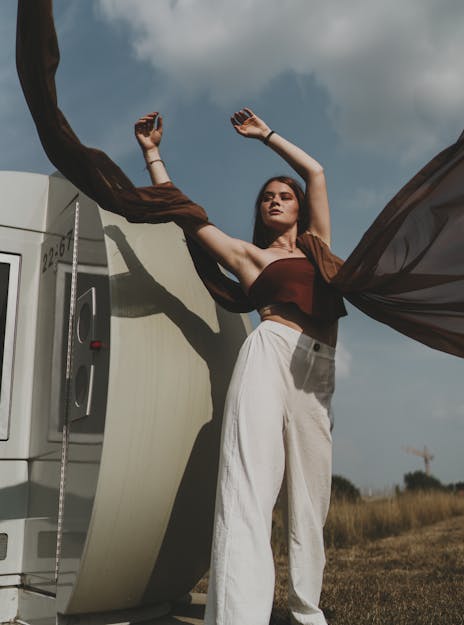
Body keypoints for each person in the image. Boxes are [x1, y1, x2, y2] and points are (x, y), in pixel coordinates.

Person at [135, 108, 347, 625]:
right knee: (249, 485)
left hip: (316, 373)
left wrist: (265, 136)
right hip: (270, 352)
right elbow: (185, 214)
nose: (276, 200)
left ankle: (305, 610)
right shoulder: (250, 257)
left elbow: (316, 171)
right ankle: (238, 616)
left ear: (297, 208)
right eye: (268, 197)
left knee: (310, 503)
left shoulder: (318, 247)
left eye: (284, 195)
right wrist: (151, 154)